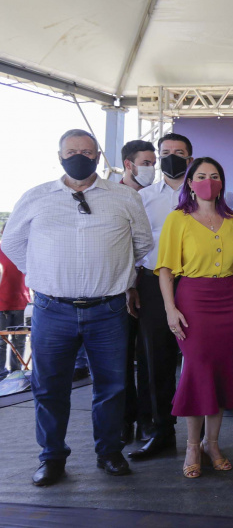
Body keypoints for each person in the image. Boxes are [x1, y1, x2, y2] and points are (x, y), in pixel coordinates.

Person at [2, 129, 153, 487]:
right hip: (52, 310)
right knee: (49, 388)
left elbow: (142, 243)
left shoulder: (124, 198)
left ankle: (109, 452)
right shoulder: (37, 197)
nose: (80, 157)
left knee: (112, 386)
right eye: (72, 151)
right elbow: (12, 242)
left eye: (87, 152)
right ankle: (51, 458)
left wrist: (116, 274)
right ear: (59, 157)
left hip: (108, 310)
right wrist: (45, 272)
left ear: (98, 157)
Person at [156, 157, 233, 479]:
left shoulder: (232, 219)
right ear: (190, 183)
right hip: (193, 301)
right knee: (197, 370)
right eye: (202, 176)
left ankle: (213, 443)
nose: (209, 181)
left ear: (222, 183)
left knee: (221, 371)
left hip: (228, 300)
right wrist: (170, 308)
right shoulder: (177, 219)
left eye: (215, 176)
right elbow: (165, 269)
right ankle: (193, 445)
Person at [129, 133, 194, 460]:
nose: (172, 158)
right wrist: (131, 285)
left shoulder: (204, 194)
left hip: (196, 284)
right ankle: (160, 432)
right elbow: (130, 244)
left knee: (198, 361)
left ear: (190, 159)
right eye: (165, 153)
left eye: (178, 153)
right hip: (153, 284)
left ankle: (204, 439)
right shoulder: (141, 198)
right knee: (156, 360)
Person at [116, 140, 157, 445]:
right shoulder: (110, 196)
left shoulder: (159, 196)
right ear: (128, 165)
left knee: (148, 356)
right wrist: (128, 282)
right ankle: (123, 420)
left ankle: (147, 420)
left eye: (153, 162)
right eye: (146, 162)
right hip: (117, 287)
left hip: (150, 283)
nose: (152, 168)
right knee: (118, 358)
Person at [0, 226, 30, 382]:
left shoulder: (25, 249)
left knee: (19, 341)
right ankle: (1, 374)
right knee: (1, 342)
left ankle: (17, 373)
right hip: (1, 304)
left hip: (21, 302)